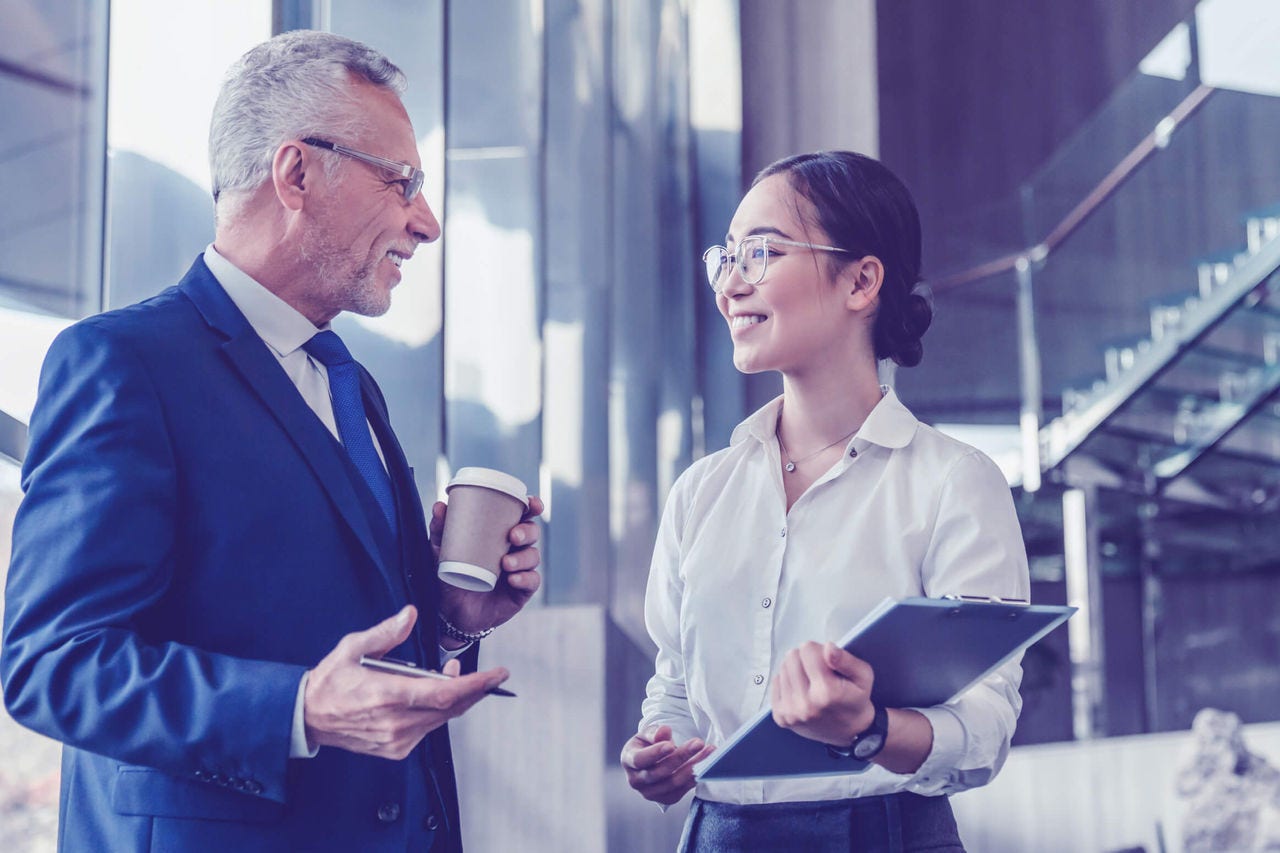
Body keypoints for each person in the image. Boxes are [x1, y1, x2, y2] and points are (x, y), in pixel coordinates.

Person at [0, 30, 542, 853]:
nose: (424, 221)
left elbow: (345, 644)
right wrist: (297, 710)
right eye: (402, 181)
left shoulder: (354, 385)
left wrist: (454, 621)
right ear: (296, 174)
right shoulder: (124, 363)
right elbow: (54, 663)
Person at [619, 151, 1030, 851]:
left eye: (762, 252)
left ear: (862, 280)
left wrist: (867, 729)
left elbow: (985, 727)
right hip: (716, 833)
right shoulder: (700, 493)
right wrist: (662, 748)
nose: (729, 285)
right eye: (726, 257)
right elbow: (677, 685)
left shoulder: (952, 481)